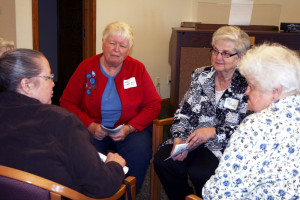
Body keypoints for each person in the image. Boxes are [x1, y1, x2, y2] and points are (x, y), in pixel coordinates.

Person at [0, 49, 127, 198]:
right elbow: (103, 185)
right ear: (26, 84)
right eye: (48, 77)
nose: (53, 83)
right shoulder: (62, 121)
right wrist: (115, 165)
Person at [60, 21, 161, 191]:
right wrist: (90, 125)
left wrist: (129, 128)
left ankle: (126, 195)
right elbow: (67, 102)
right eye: (112, 43)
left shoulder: (137, 69)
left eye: (122, 45)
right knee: (84, 152)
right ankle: (95, 193)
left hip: (129, 128)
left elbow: (153, 105)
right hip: (94, 128)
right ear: (103, 43)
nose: (116, 49)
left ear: (128, 50)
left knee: (139, 153)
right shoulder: (86, 67)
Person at [153, 26, 251, 199]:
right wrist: (179, 138)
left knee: (202, 172)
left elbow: (248, 129)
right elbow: (183, 111)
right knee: (164, 161)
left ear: (240, 58)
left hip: (223, 145)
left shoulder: (248, 85)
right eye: (215, 51)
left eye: (226, 53)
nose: (218, 57)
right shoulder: (201, 75)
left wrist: (213, 132)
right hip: (191, 137)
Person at [203, 43, 300, 199]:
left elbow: (219, 194)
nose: (246, 92)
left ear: (276, 91)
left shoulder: (257, 126)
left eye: (252, 86)